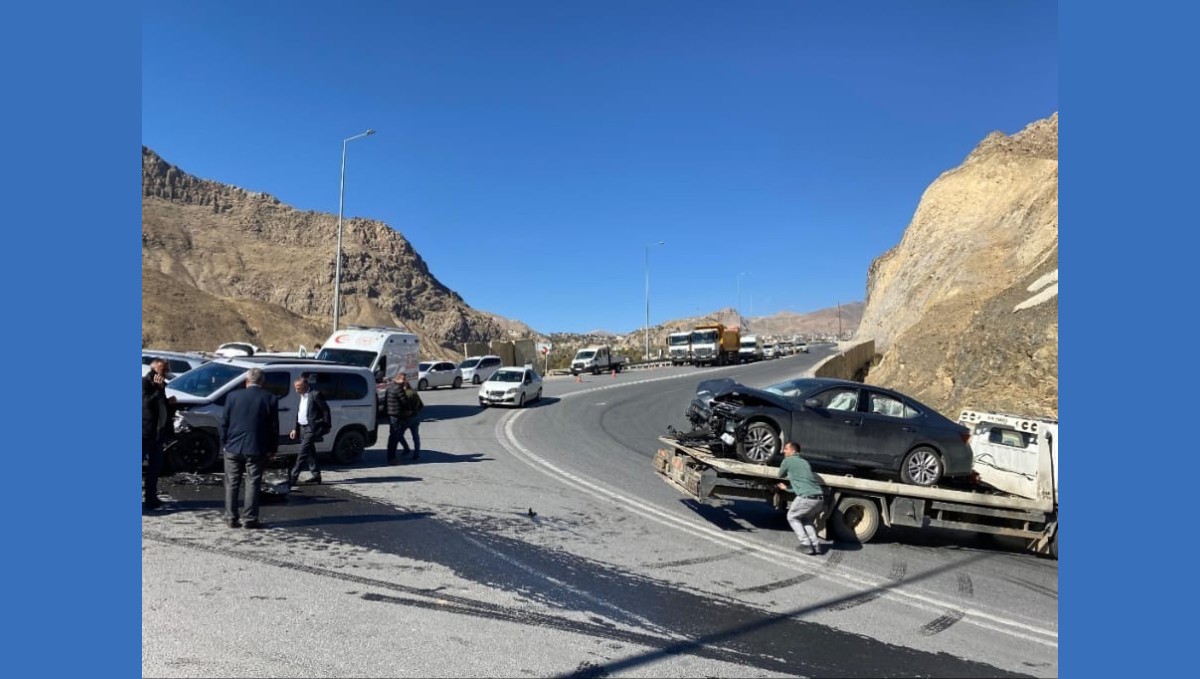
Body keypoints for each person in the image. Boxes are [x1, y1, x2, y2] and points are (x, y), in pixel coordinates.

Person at [219, 368, 280, 529]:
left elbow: (224, 422)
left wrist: (224, 443)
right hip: (257, 447)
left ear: (246, 381)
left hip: (233, 446)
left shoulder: (233, 396)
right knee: (253, 482)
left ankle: (231, 517)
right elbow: (274, 427)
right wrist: (273, 448)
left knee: (232, 483)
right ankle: (250, 519)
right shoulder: (270, 399)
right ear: (262, 382)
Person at [776, 441, 828, 555]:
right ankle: (816, 544)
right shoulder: (805, 462)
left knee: (792, 517)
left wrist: (787, 472)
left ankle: (806, 544)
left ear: (793, 451)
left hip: (806, 498)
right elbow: (802, 484)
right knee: (806, 519)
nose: (783, 451)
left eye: (786, 449)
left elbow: (780, 475)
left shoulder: (788, 461)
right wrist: (787, 488)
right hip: (819, 498)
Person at [142, 357, 176, 511]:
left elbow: (160, 408)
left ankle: (151, 497)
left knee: (155, 467)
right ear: (154, 367)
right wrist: (157, 389)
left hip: (157, 433)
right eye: (163, 369)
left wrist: (168, 403)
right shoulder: (145, 383)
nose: (166, 372)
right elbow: (146, 404)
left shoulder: (161, 385)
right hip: (144, 432)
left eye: (166, 370)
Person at [288, 375, 331, 486]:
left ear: (305, 385)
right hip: (302, 427)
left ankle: (293, 478)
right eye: (295, 388)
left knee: (302, 453)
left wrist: (326, 425)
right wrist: (295, 428)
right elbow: (299, 413)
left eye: (298, 388)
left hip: (311, 428)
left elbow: (326, 410)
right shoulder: (301, 396)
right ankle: (316, 476)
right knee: (310, 452)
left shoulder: (315, 394)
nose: (296, 390)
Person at [385, 371, 424, 464]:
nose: (403, 381)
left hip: (392, 414)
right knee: (396, 437)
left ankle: (402, 451)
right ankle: (393, 458)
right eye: (403, 379)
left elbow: (386, 401)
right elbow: (404, 401)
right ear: (397, 379)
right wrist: (410, 410)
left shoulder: (390, 387)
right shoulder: (399, 389)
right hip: (399, 415)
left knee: (395, 436)